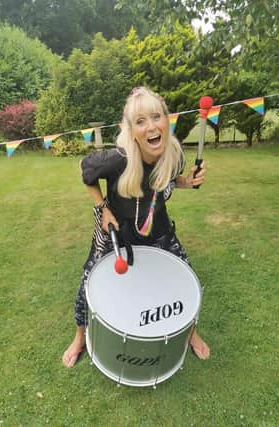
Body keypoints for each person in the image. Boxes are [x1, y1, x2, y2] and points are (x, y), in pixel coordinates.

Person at [62, 87, 211, 368]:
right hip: (115, 230)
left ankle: (191, 331)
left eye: (157, 117)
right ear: (131, 131)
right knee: (87, 286)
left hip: (158, 230)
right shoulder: (118, 158)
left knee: (184, 279)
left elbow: (170, 180)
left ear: (167, 120)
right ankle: (80, 335)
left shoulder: (174, 155)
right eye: (141, 121)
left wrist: (187, 182)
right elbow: (86, 171)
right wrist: (102, 207)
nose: (151, 126)